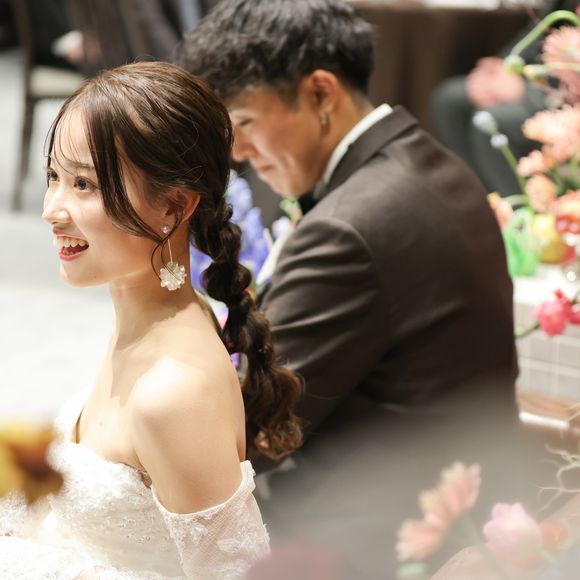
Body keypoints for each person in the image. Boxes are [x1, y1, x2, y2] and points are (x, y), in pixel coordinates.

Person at [174, 1, 538, 578]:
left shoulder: (348, 227)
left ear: (321, 93)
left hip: (382, 528)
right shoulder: (428, 160)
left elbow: (248, 431)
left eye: (244, 123)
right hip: (470, 481)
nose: (237, 153)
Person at [0, 60, 302, 579]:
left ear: (174, 207)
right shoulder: (150, 318)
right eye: (54, 176)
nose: (51, 209)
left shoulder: (173, 393)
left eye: (84, 184)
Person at [431, 0, 580, 197]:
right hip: (547, 77)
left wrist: (528, 90)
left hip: (566, 95)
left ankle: (522, 207)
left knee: (492, 121)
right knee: (451, 100)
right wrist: (502, 68)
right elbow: (538, 29)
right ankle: (480, 202)